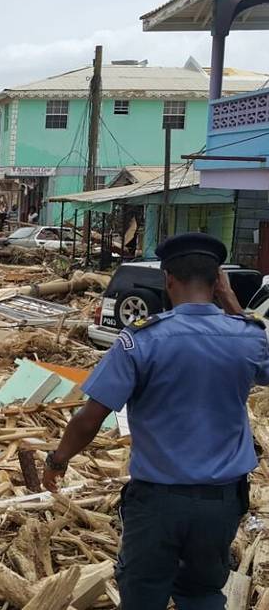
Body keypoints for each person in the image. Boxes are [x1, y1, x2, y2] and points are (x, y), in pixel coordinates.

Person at [42, 233, 269, 610]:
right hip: (222, 503)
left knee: (142, 595)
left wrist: (57, 459)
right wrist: (234, 307)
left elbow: (91, 417)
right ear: (217, 283)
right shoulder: (248, 337)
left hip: (158, 504)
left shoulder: (142, 340)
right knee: (202, 594)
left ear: (167, 280)